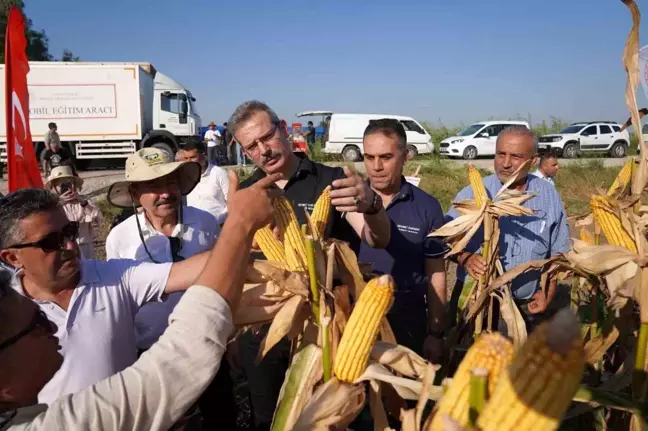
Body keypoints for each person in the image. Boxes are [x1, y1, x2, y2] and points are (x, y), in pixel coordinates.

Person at [0, 173, 281, 430]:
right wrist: (239, 227)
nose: (70, 246)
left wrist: (243, 243)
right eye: (51, 242)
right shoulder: (9, 311)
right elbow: (175, 364)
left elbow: (187, 272)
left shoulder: (113, 276)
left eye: (70, 233)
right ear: (12, 258)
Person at [229, 100, 392, 431]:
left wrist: (372, 205)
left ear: (285, 129)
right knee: (269, 419)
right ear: (245, 153)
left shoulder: (333, 181)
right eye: (252, 146)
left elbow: (377, 238)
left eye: (267, 137)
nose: (263, 150)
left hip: (324, 328)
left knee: (324, 419)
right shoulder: (246, 193)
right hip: (266, 329)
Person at [104, 147, 233, 428]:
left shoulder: (205, 223)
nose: (165, 193)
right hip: (151, 353)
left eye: (170, 182)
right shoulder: (120, 238)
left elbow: (223, 276)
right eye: (153, 186)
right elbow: (120, 299)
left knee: (220, 416)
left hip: (206, 342)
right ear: (136, 193)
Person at [446, 126, 570, 331]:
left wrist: (547, 290)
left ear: (532, 161)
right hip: (475, 300)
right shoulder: (472, 192)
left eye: (515, 157)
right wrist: (465, 258)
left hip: (525, 303)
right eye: (500, 154)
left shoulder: (548, 195)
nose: (505, 163)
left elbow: (558, 250)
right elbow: (446, 239)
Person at [358, 119, 447, 362]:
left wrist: (435, 332)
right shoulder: (348, 203)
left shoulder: (427, 207)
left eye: (386, 157)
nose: (376, 167)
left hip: (408, 322)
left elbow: (436, 272)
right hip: (355, 322)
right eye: (369, 157)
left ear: (405, 156)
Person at [45, 166, 101, 260]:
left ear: (73, 184)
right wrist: (58, 203)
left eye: (68, 183)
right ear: (54, 187)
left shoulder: (85, 201)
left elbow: (97, 218)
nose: (66, 187)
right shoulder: (51, 206)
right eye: (61, 185)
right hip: (64, 248)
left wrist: (83, 203)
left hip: (85, 246)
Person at [181, 141, 229, 222]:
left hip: (219, 226)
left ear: (203, 155)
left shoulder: (219, 173)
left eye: (193, 157)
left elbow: (232, 201)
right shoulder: (183, 178)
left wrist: (220, 221)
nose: (189, 162)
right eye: (186, 158)